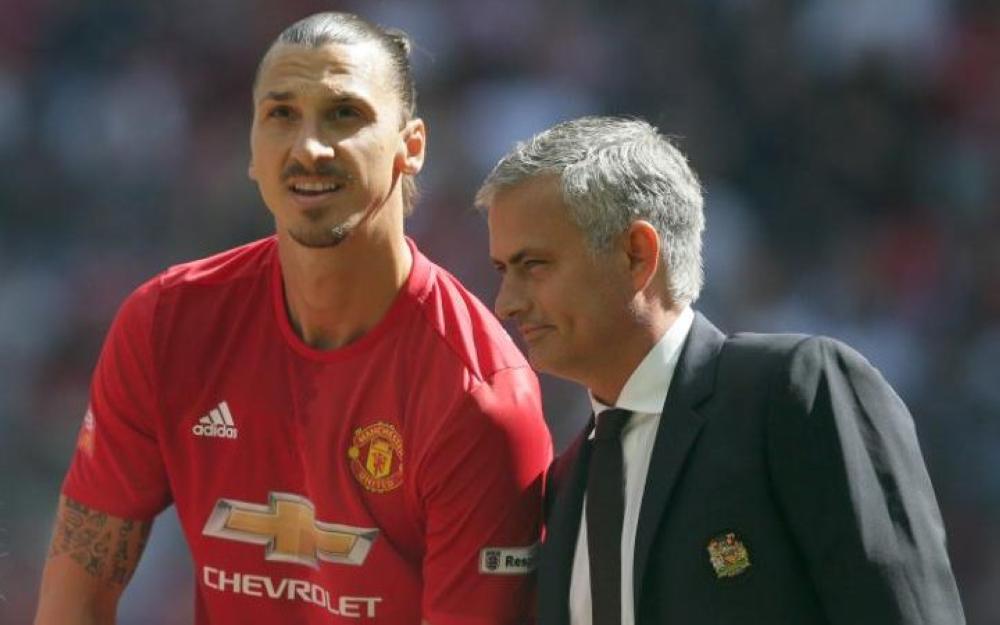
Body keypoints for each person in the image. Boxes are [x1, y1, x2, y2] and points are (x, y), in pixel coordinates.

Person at [34, 12, 552, 625]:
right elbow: (74, 600)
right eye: (281, 114)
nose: (308, 147)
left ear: (411, 148)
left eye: (344, 114)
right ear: (252, 150)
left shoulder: (479, 399)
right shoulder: (165, 325)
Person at [477, 116, 965, 625]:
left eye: (534, 265)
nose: (506, 303)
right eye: (502, 270)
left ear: (636, 254)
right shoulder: (564, 484)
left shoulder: (794, 393)